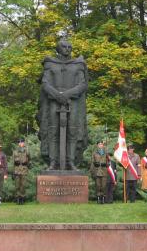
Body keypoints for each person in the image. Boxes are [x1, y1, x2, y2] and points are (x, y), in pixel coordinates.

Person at [38, 39, 89, 170]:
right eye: (64, 46)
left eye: (69, 47)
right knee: (52, 131)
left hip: (73, 101)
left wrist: (67, 94)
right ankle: (53, 162)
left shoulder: (78, 64)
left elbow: (83, 84)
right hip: (53, 101)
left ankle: (71, 161)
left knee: (73, 131)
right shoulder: (50, 63)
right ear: (58, 49)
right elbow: (45, 83)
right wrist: (57, 95)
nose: (67, 49)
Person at [12, 138, 30, 205]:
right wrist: (13, 172)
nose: (20, 143)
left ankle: (22, 198)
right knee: (17, 185)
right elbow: (13, 162)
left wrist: (27, 163)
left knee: (23, 185)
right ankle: (17, 198)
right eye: (19, 142)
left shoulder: (27, 151)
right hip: (17, 170)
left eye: (22, 142)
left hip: (24, 170)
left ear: (24, 143)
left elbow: (29, 159)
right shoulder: (15, 151)